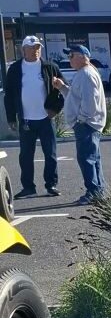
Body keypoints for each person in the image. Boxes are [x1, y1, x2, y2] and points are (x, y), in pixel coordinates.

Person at [2, 35, 64, 198]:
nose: (35, 51)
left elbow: (62, 90)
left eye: (37, 48)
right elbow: (8, 95)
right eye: (31, 48)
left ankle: (51, 185)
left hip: (46, 119)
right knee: (26, 156)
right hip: (26, 120)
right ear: (23, 50)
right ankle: (28, 187)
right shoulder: (15, 69)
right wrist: (11, 118)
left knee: (50, 154)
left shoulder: (50, 67)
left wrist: (55, 110)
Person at [52, 44, 107, 204]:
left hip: (87, 124)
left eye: (71, 55)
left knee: (86, 158)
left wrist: (80, 120)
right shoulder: (85, 73)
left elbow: (90, 103)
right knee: (93, 157)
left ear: (82, 56)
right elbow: (75, 97)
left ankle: (93, 192)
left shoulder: (86, 74)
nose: (68, 59)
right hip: (89, 123)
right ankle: (98, 190)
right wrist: (62, 88)